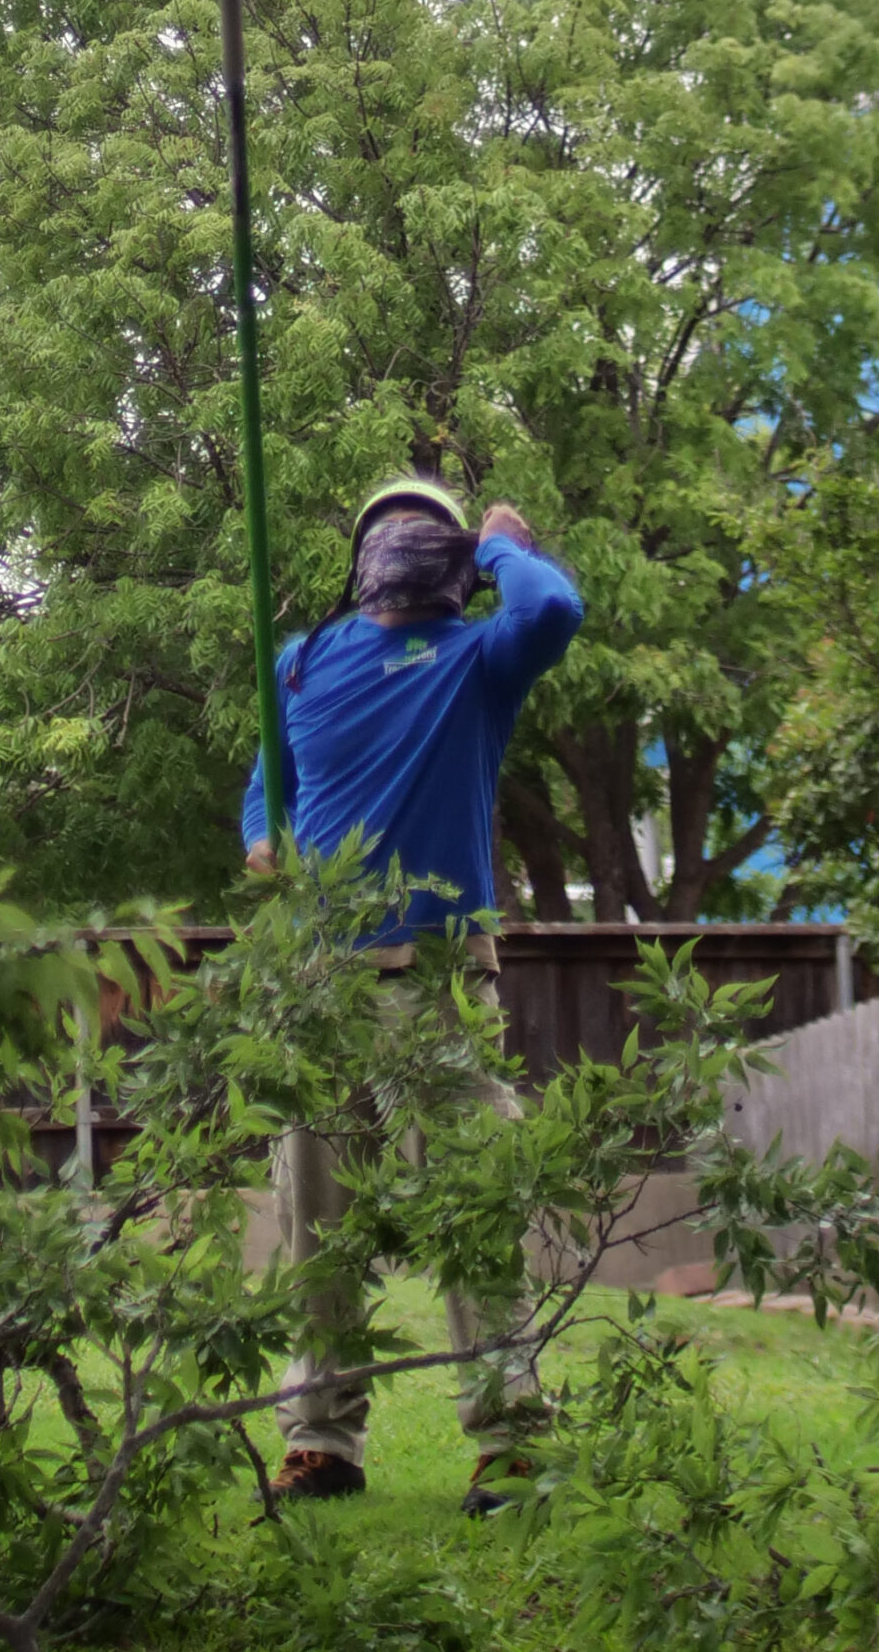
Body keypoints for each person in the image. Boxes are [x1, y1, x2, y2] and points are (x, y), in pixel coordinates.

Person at [241, 477, 584, 1512]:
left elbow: (553, 609)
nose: (403, 540)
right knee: (315, 1222)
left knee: (474, 1206)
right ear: (360, 555)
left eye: (428, 530)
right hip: (317, 987)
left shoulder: (481, 658)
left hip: (437, 983)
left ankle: (509, 1437)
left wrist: (503, 543)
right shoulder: (301, 660)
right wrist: (261, 835)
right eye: (388, 527)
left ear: (456, 561)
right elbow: (267, 778)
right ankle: (322, 1442)